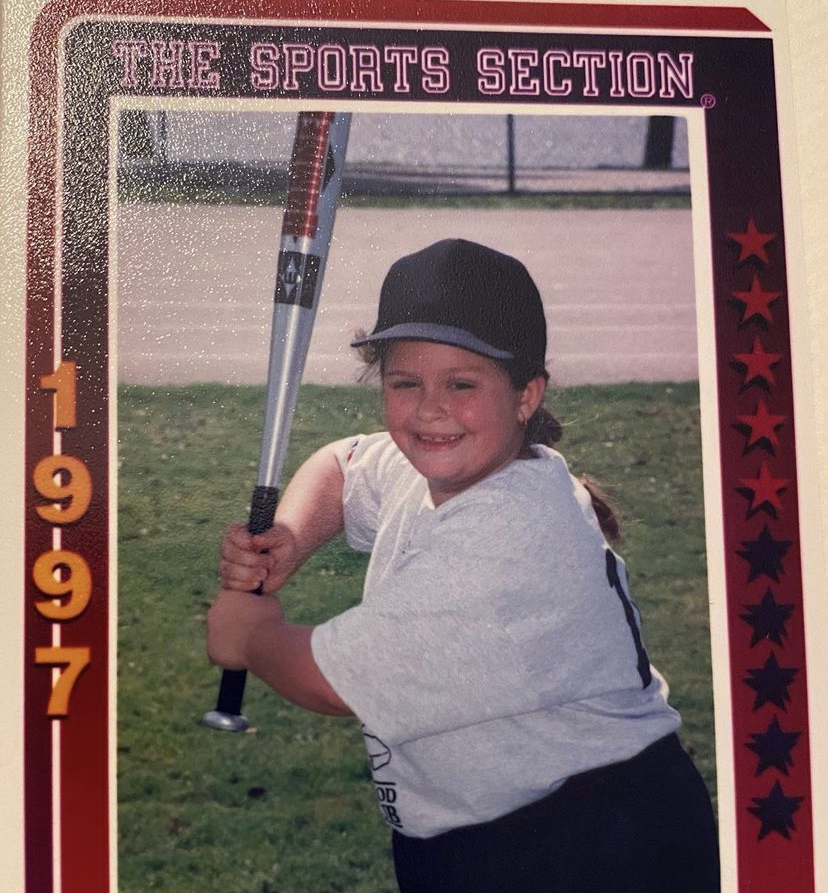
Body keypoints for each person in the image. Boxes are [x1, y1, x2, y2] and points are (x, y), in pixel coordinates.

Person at [206, 239, 720, 892]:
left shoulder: (511, 532)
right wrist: (288, 536)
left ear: (526, 393)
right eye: (404, 383)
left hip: (593, 842)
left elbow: (329, 684)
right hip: (474, 836)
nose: (429, 408)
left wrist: (248, 634)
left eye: (462, 383)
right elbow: (342, 465)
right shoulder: (437, 463)